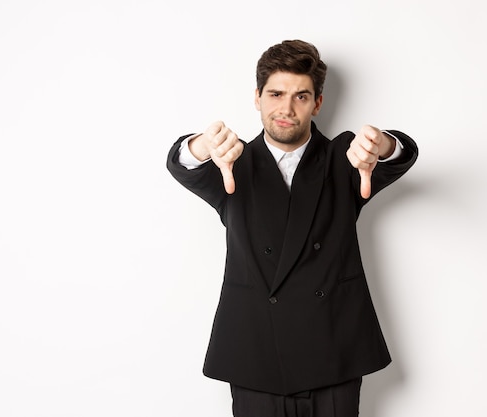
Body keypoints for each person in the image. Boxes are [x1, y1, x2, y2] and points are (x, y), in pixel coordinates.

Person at [167, 39, 418, 417]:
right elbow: (183, 164)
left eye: (301, 96)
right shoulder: (231, 161)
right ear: (257, 97)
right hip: (256, 355)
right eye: (276, 94)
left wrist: (381, 145)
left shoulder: (344, 157)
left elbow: (399, 155)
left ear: (318, 103)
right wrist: (201, 145)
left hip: (332, 352)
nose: (286, 108)